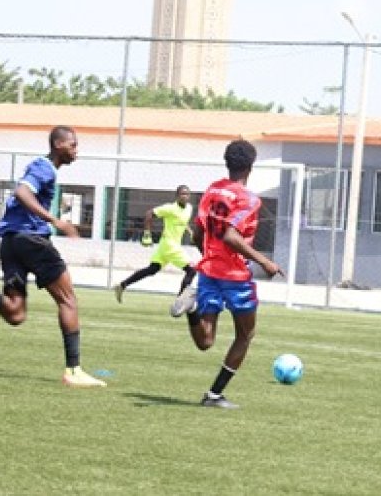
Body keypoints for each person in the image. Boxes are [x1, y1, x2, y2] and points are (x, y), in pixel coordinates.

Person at [0, 125, 105, 389]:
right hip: (31, 239)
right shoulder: (43, 167)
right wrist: (55, 221)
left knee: (15, 314)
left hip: (10, 242)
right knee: (68, 299)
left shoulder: (47, 169)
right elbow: (21, 193)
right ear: (58, 145)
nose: (76, 150)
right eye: (73, 145)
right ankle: (74, 370)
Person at [170, 139, 283, 409]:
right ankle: (214, 395)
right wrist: (264, 261)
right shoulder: (249, 200)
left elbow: (198, 233)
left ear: (227, 162)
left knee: (206, 340)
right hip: (234, 276)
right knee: (246, 334)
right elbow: (232, 235)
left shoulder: (212, 190)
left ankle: (193, 308)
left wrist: (210, 255)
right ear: (251, 166)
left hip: (208, 272)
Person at [113, 185, 196, 304]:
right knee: (192, 270)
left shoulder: (189, 208)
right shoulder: (170, 208)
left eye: (187, 194)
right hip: (170, 245)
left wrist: (190, 231)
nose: (185, 196)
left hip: (165, 246)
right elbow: (149, 214)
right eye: (182, 194)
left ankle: (122, 285)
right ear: (177, 196)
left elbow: (182, 221)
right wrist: (147, 234)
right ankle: (179, 302)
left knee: (152, 269)